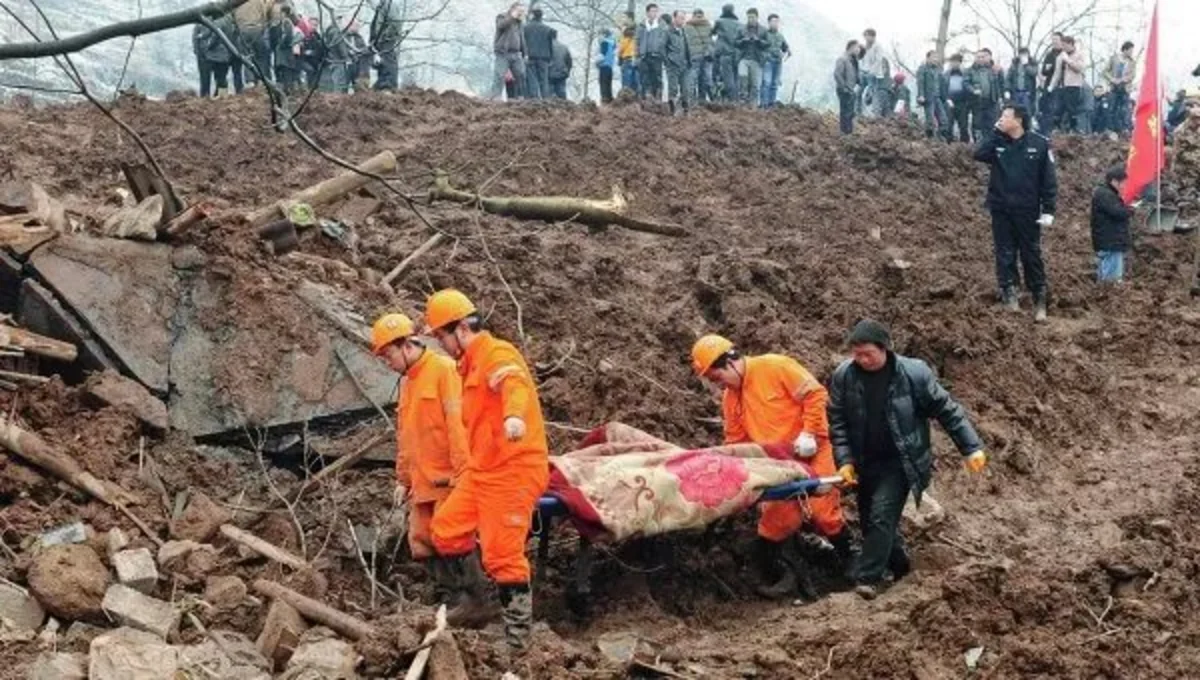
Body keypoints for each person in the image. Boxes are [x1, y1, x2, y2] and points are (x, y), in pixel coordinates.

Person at [424, 289, 549, 649]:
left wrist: (513, 416)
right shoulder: (467, 366)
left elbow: (514, 383)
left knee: (503, 554)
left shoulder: (496, 353)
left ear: (461, 329)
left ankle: (517, 640)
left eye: (442, 337)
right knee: (446, 531)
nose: (442, 346)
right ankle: (479, 602)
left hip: (512, 469)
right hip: (483, 470)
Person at [828, 320, 987, 600]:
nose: (861, 360)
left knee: (880, 516)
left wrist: (970, 447)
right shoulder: (844, 375)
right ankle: (901, 566)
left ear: (885, 349)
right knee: (870, 522)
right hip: (866, 462)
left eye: (867, 353)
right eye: (856, 354)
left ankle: (868, 580)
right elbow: (838, 421)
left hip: (901, 460)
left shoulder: (914, 374)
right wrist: (845, 460)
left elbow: (947, 410)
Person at [690, 335, 851, 602]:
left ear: (730, 361)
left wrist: (810, 432)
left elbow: (815, 393)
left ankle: (852, 565)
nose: (718, 385)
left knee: (824, 514)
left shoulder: (775, 366)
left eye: (717, 377)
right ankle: (779, 576)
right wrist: (739, 473)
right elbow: (736, 442)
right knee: (774, 525)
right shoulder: (731, 400)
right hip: (779, 465)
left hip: (813, 451)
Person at [369, 313, 469, 603]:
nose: (388, 363)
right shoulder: (408, 384)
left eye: (388, 355)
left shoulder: (444, 370)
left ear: (407, 345)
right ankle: (447, 596)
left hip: (448, 477)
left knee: (453, 538)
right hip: (422, 480)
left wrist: (463, 474)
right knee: (423, 542)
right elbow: (407, 436)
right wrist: (403, 478)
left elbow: (457, 427)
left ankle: (471, 600)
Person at [973, 103, 1058, 321]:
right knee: (1005, 252)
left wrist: (1048, 209)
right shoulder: (997, 142)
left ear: (1018, 120)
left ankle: (1039, 294)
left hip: (1027, 210)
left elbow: (1048, 180)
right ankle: (1009, 292)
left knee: (1030, 252)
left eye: (1006, 116)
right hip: (1001, 208)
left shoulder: (1039, 144)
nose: (1001, 119)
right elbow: (978, 154)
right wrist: (995, 133)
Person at [1091, 166, 1133, 283]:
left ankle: (1102, 296)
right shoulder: (1106, 194)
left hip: (1108, 241)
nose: (1124, 186)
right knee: (1112, 281)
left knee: (1105, 277)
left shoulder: (1105, 193)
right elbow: (1117, 212)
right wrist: (1130, 210)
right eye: (1123, 183)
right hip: (1110, 242)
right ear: (1114, 181)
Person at [968, 48, 1004, 142]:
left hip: (992, 101)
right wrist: (973, 90)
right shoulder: (970, 70)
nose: (980, 59)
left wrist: (1001, 97)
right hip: (977, 102)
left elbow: (1001, 84)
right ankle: (978, 144)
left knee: (992, 124)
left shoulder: (994, 69)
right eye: (978, 57)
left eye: (982, 57)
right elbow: (965, 83)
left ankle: (991, 144)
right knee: (977, 124)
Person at [493, 3, 527, 100]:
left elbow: (522, 38)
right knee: (499, 75)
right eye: (519, 11)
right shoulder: (502, 17)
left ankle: (520, 98)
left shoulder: (519, 22)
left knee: (521, 75)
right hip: (503, 53)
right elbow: (501, 26)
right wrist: (512, 17)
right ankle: (496, 98)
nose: (521, 13)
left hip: (516, 54)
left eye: (522, 11)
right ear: (513, 9)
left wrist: (525, 53)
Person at [1051, 36, 1085, 133]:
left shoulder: (1079, 55)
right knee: (1058, 108)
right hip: (1061, 85)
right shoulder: (1060, 56)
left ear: (1071, 44)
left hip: (1073, 85)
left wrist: (1068, 60)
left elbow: (1079, 68)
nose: (1063, 48)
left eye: (1065, 45)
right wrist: (1051, 86)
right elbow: (1056, 73)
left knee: (1071, 108)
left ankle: (1073, 128)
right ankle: (1056, 128)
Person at [735, 8, 768, 108]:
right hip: (743, 58)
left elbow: (767, 44)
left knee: (755, 84)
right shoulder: (741, 29)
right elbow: (735, 43)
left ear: (757, 17)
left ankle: (753, 105)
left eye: (753, 17)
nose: (751, 19)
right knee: (742, 76)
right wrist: (743, 40)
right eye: (749, 17)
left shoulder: (763, 30)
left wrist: (758, 40)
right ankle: (742, 100)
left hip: (757, 60)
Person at [1103, 41, 1136, 135]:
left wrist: (1123, 80)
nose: (1131, 52)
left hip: (1125, 87)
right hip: (1113, 86)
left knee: (1125, 109)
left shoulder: (1132, 62)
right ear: (1125, 50)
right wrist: (1112, 79)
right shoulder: (1114, 58)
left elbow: (1132, 75)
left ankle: (1124, 129)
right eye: (1130, 50)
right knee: (1111, 108)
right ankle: (1110, 129)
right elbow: (1105, 71)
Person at [636, 3, 667, 100]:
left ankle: (658, 99)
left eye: (656, 11)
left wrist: (663, 55)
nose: (655, 13)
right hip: (644, 56)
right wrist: (637, 55)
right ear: (647, 12)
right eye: (652, 11)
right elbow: (637, 41)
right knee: (645, 79)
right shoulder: (641, 26)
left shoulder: (662, 25)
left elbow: (664, 41)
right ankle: (646, 99)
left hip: (657, 56)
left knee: (657, 79)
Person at [916, 51, 950, 141]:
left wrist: (946, 98)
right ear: (928, 58)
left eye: (937, 58)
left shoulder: (938, 70)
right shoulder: (923, 68)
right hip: (928, 98)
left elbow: (942, 85)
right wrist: (921, 95)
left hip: (937, 97)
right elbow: (920, 82)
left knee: (944, 119)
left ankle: (941, 136)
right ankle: (929, 137)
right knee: (930, 119)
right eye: (933, 57)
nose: (936, 59)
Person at [523, 7, 554, 99]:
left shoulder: (525, 27)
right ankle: (545, 98)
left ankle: (534, 98)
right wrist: (551, 58)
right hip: (544, 58)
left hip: (530, 56)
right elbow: (550, 45)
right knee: (544, 80)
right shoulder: (548, 29)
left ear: (533, 15)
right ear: (541, 16)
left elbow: (523, 42)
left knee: (532, 78)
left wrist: (524, 54)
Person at [664, 10, 691, 114]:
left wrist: (689, 61)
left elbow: (687, 47)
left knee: (686, 89)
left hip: (684, 64)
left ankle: (685, 110)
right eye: (680, 18)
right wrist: (668, 61)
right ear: (674, 18)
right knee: (673, 88)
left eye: (684, 18)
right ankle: (672, 111)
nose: (682, 20)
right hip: (673, 65)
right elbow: (662, 48)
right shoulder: (667, 32)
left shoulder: (684, 31)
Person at [759, 13, 789, 108]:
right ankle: (764, 104)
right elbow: (758, 47)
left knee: (775, 83)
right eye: (773, 21)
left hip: (778, 62)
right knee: (766, 82)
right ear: (769, 23)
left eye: (777, 22)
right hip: (767, 61)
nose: (775, 24)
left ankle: (771, 104)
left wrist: (784, 54)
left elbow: (786, 48)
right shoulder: (764, 34)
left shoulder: (780, 36)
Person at [684, 9, 713, 104]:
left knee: (692, 78)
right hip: (706, 55)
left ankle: (691, 100)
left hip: (694, 55)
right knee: (704, 79)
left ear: (693, 15)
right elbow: (710, 41)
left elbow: (685, 43)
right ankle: (702, 99)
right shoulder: (708, 25)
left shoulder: (687, 26)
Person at [712, 4, 740, 102]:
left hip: (723, 53)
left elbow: (712, 32)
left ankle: (731, 99)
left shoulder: (719, 21)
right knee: (735, 77)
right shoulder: (738, 23)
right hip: (736, 54)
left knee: (725, 78)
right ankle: (735, 98)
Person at [1037, 32, 1064, 131]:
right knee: (1047, 110)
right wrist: (1053, 67)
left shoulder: (1064, 54)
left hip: (1062, 86)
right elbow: (1044, 70)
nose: (1054, 42)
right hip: (1049, 86)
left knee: (1059, 111)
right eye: (1053, 40)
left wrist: (1051, 67)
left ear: (1061, 41)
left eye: (1056, 39)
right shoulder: (1049, 55)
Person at [944, 53, 972, 143]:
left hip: (962, 103)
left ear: (960, 63)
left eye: (956, 62)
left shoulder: (965, 74)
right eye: (952, 62)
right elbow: (942, 88)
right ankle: (948, 145)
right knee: (949, 124)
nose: (954, 64)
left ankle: (965, 145)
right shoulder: (945, 74)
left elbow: (969, 87)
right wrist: (946, 99)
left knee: (963, 125)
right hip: (949, 102)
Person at [272, 4, 301, 94]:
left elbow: (287, 36)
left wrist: (280, 45)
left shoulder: (286, 22)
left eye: (281, 13)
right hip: (286, 52)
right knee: (285, 72)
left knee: (286, 72)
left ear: (284, 13)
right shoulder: (287, 22)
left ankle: (288, 92)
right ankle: (287, 91)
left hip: (285, 52)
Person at [834, 40, 859, 135]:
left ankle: (847, 133)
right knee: (846, 113)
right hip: (845, 90)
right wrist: (844, 88)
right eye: (857, 47)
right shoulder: (842, 59)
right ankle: (845, 133)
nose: (858, 50)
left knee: (849, 113)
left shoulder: (852, 60)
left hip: (850, 90)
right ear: (851, 47)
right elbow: (837, 74)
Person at [859, 28, 887, 116]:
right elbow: (862, 59)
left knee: (874, 93)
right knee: (858, 92)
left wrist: (872, 72)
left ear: (872, 36)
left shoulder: (878, 46)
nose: (865, 38)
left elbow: (878, 60)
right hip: (864, 72)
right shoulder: (864, 46)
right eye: (865, 36)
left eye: (867, 36)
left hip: (874, 74)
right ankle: (857, 112)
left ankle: (876, 114)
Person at [1008, 47, 1038, 112]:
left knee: (1027, 112)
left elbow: (1034, 73)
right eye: (1021, 54)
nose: (1023, 56)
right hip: (1016, 92)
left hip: (1027, 92)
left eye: (1025, 54)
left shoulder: (1033, 63)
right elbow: (1009, 77)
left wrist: (1026, 65)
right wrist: (1007, 89)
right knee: (1016, 112)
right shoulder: (1014, 64)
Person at [193, 23, 217, 98]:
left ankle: (205, 95)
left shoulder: (198, 25)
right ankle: (208, 95)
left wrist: (197, 52)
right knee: (215, 77)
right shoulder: (214, 23)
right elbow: (195, 40)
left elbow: (195, 39)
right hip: (209, 54)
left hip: (205, 54)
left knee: (204, 77)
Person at [548, 30, 572, 99]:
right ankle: (564, 107)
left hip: (550, 74)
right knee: (561, 92)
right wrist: (567, 71)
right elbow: (569, 62)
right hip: (562, 73)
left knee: (550, 95)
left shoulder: (546, 47)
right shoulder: (564, 47)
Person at [596, 28, 616, 103]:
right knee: (608, 85)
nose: (599, 36)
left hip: (604, 66)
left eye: (600, 34)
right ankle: (609, 100)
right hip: (609, 67)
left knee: (603, 84)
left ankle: (604, 100)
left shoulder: (604, 43)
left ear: (604, 35)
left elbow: (602, 56)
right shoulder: (611, 44)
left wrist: (596, 62)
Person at [618, 24, 639, 94]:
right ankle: (636, 94)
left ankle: (626, 94)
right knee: (635, 79)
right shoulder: (636, 39)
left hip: (627, 59)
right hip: (636, 60)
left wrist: (619, 58)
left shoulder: (625, 38)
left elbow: (621, 49)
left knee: (626, 80)